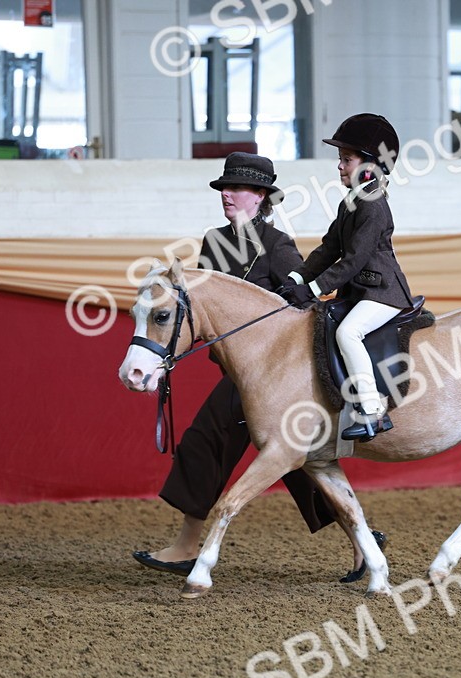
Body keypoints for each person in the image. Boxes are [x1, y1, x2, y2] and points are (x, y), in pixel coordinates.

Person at [133, 152, 384, 582]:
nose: (227, 195)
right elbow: (198, 307)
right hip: (235, 371)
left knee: (219, 443)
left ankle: (188, 547)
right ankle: (364, 542)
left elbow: (302, 308)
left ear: (261, 197)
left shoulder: (278, 246)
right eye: (224, 188)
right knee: (293, 458)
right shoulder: (214, 241)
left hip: (273, 374)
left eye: (238, 188)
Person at [278, 113, 415, 442]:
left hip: (383, 292)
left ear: (370, 165)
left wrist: (313, 289)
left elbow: (353, 260)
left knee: (349, 333)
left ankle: (371, 413)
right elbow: (329, 248)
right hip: (361, 291)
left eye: (347, 159)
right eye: (341, 159)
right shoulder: (351, 202)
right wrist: (297, 278)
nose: (339, 166)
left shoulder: (373, 205)